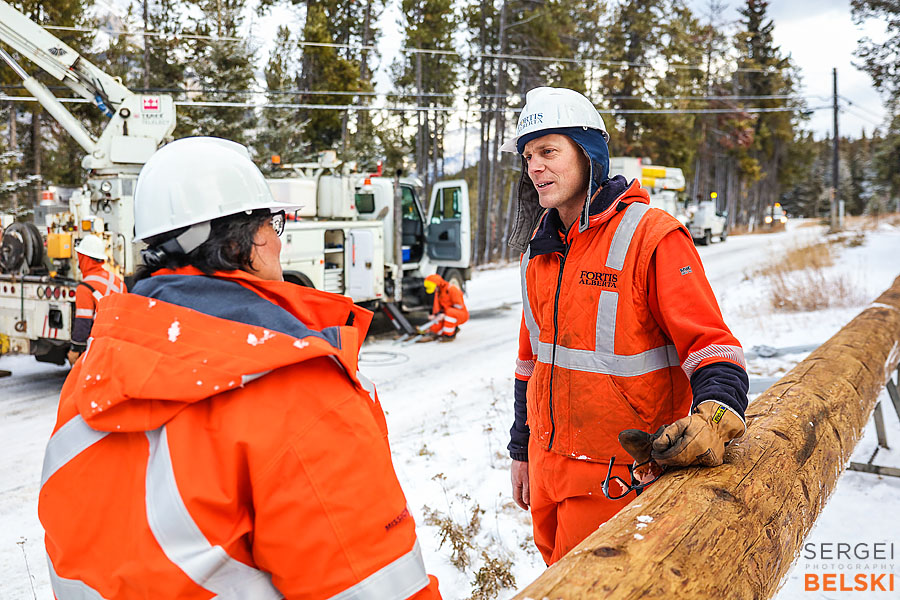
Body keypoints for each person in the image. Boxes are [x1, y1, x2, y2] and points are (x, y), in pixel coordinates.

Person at [38, 137, 441, 599]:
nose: (277, 239)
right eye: (273, 222)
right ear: (246, 240)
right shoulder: (297, 389)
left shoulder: (92, 374)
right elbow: (374, 588)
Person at [502, 87, 749, 565]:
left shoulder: (651, 236)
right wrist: (521, 448)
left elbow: (712, 345)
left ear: (588, 152)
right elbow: (529, 362)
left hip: (622, 474)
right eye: (529, 155)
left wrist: (715, 416)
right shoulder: (539, 250)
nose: (535, 167)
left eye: (549, 151)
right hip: (549, 470)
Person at [67, 234, 125, 365]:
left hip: (98, 347)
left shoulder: (85, 287)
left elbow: (83, 322)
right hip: (118, 345)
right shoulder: (118, 282)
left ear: (84, 259)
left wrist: (75, 349)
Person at [422, 273, 468, 342]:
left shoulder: (452, 289)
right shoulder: (438, 293)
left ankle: (449, 336)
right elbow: (437, 308)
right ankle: (453, 329)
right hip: (448, 313)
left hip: (461, 314)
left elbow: (459, 306)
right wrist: (435, 316)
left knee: (450, 312)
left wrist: (444, 314)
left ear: (437, 285)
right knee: (435, 327)